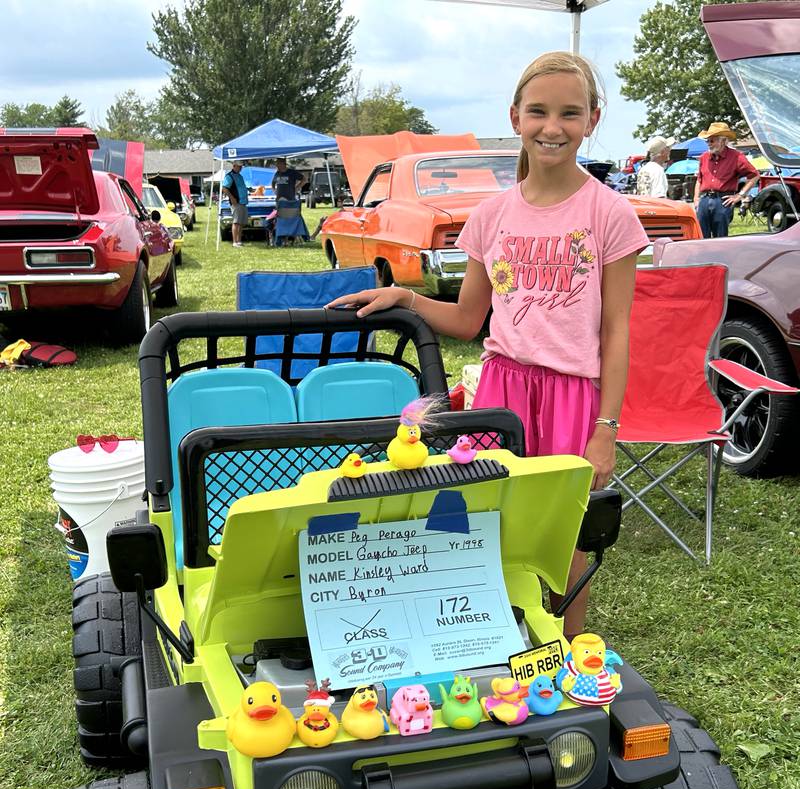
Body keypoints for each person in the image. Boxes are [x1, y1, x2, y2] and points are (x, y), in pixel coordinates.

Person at [327, 51, 649, 637]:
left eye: (570, 113)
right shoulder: (491, 216)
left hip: (575, 393)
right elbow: (470, 318)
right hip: (501, 391)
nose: (553, 127)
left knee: (566, 525)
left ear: (593, 120)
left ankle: (569, 642)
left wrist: (607, 427)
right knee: (483, 517)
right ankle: (489, 635)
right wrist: (407, 299)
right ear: (516, 116)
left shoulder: (611, 213)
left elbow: (617, 328)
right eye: (539, 112)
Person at [693, 121, 759, 238]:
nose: (709, 144)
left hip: (723, 201)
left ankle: (719, 256)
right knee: (701, 237)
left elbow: (754, 175)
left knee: (720, 238)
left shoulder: (737, 157)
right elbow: (699, 179)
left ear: (723, 141)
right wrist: (696, 199)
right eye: (707, 141)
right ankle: (704, 256)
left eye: (712, 140)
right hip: (704, 200)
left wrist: (740, 195)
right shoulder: (704, 158)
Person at [221, 161, 248, 247]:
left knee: (241, 223)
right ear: (234, 166)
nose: (240, 168)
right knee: (236, 222)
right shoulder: (229, 176)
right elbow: (224, 188)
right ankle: (235, 242)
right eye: (239, 166)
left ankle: (239, 241)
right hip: (236, 202)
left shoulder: (240, 176)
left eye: (241, 167)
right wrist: (232, 198)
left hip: (243, 202)